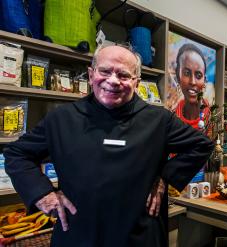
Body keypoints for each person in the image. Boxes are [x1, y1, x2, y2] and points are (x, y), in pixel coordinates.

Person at [4, 43, 213, 247]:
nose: (112, 81)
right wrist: (43, 194)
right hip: (77, 235)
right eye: (105, 71)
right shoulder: (61, 118)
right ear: (91, 73)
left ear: (137, 82)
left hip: (139, 236)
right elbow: (16, 153)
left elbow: (202, 145)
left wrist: (165, 177)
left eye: (123, 75)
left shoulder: (159, 120)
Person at [175, 43, 211, 130]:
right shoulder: (173, 117)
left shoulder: (212, 118)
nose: (192, 82)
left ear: (204, 81)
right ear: (178, 76)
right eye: (187, 73)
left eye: (198, 75)